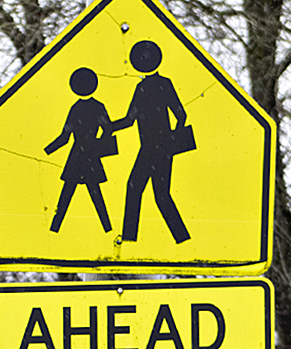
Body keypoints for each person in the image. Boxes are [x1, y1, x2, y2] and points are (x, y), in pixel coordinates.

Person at [112, 39, 193, 244]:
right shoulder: (153, 86)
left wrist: (173, 140)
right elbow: (179, 115)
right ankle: (179, 237)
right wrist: (172, 139)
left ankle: (133, 238)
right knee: (156, 193)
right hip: (156, 148)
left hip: (155, 148)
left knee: (141, 189)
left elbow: (130, 120)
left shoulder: (151, 86)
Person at [43, 65, 117, 233]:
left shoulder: (76, 109)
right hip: (90, 155)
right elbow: (108, 128)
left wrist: (47, 150)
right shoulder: (98, 106)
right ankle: (107, 229)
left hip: (77, 155)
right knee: (95, 194)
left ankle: (55, 229)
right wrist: (100, 144)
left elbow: (65, 137)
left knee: (68, 194)